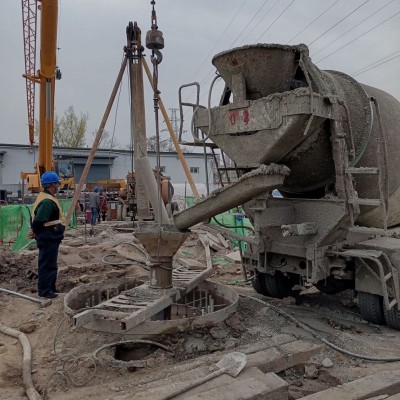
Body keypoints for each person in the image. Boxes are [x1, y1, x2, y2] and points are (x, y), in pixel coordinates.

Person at [30, 172, 65, 299]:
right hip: (48, 236)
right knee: (47, 264)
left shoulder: (46, 197)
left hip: (50, 236)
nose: (58, 186)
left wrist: (35, 230)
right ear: (51, 184)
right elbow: (39, 220)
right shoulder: (47, 201)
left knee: (50, 263)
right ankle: (45, 291)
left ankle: (50, 287)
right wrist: (35, 230)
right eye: (57, 183)